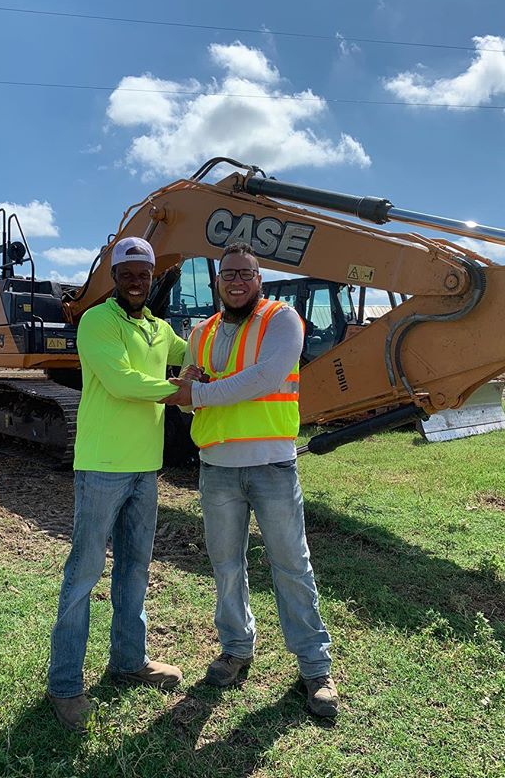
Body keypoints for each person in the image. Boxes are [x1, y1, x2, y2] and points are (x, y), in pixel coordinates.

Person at [165, 242, 339, 718]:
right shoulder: (201, 331)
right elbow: (185, 394)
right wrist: (191, 388)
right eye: (228, 274)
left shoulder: (281, 319)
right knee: (225, 566)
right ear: (218, 282)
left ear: (258, 279)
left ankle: (315, 668)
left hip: (271, 465)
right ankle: (236, 650)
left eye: (245, 273)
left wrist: (200, 389)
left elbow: (266, 377)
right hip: (217, 467)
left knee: (291, 564)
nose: (236, 281)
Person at [47, 237, 190, 731]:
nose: (136, 280)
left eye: (144, 273)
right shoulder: (97, 321)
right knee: (84, 574)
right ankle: (65, 685)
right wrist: (185, 390)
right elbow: (122, 381)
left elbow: (197, 350)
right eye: (127, 272)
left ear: (153, 277)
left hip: (145, 467)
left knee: (135, 569)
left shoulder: (157, 327)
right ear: (114, 275)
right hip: (103, 465)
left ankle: (129, 661)